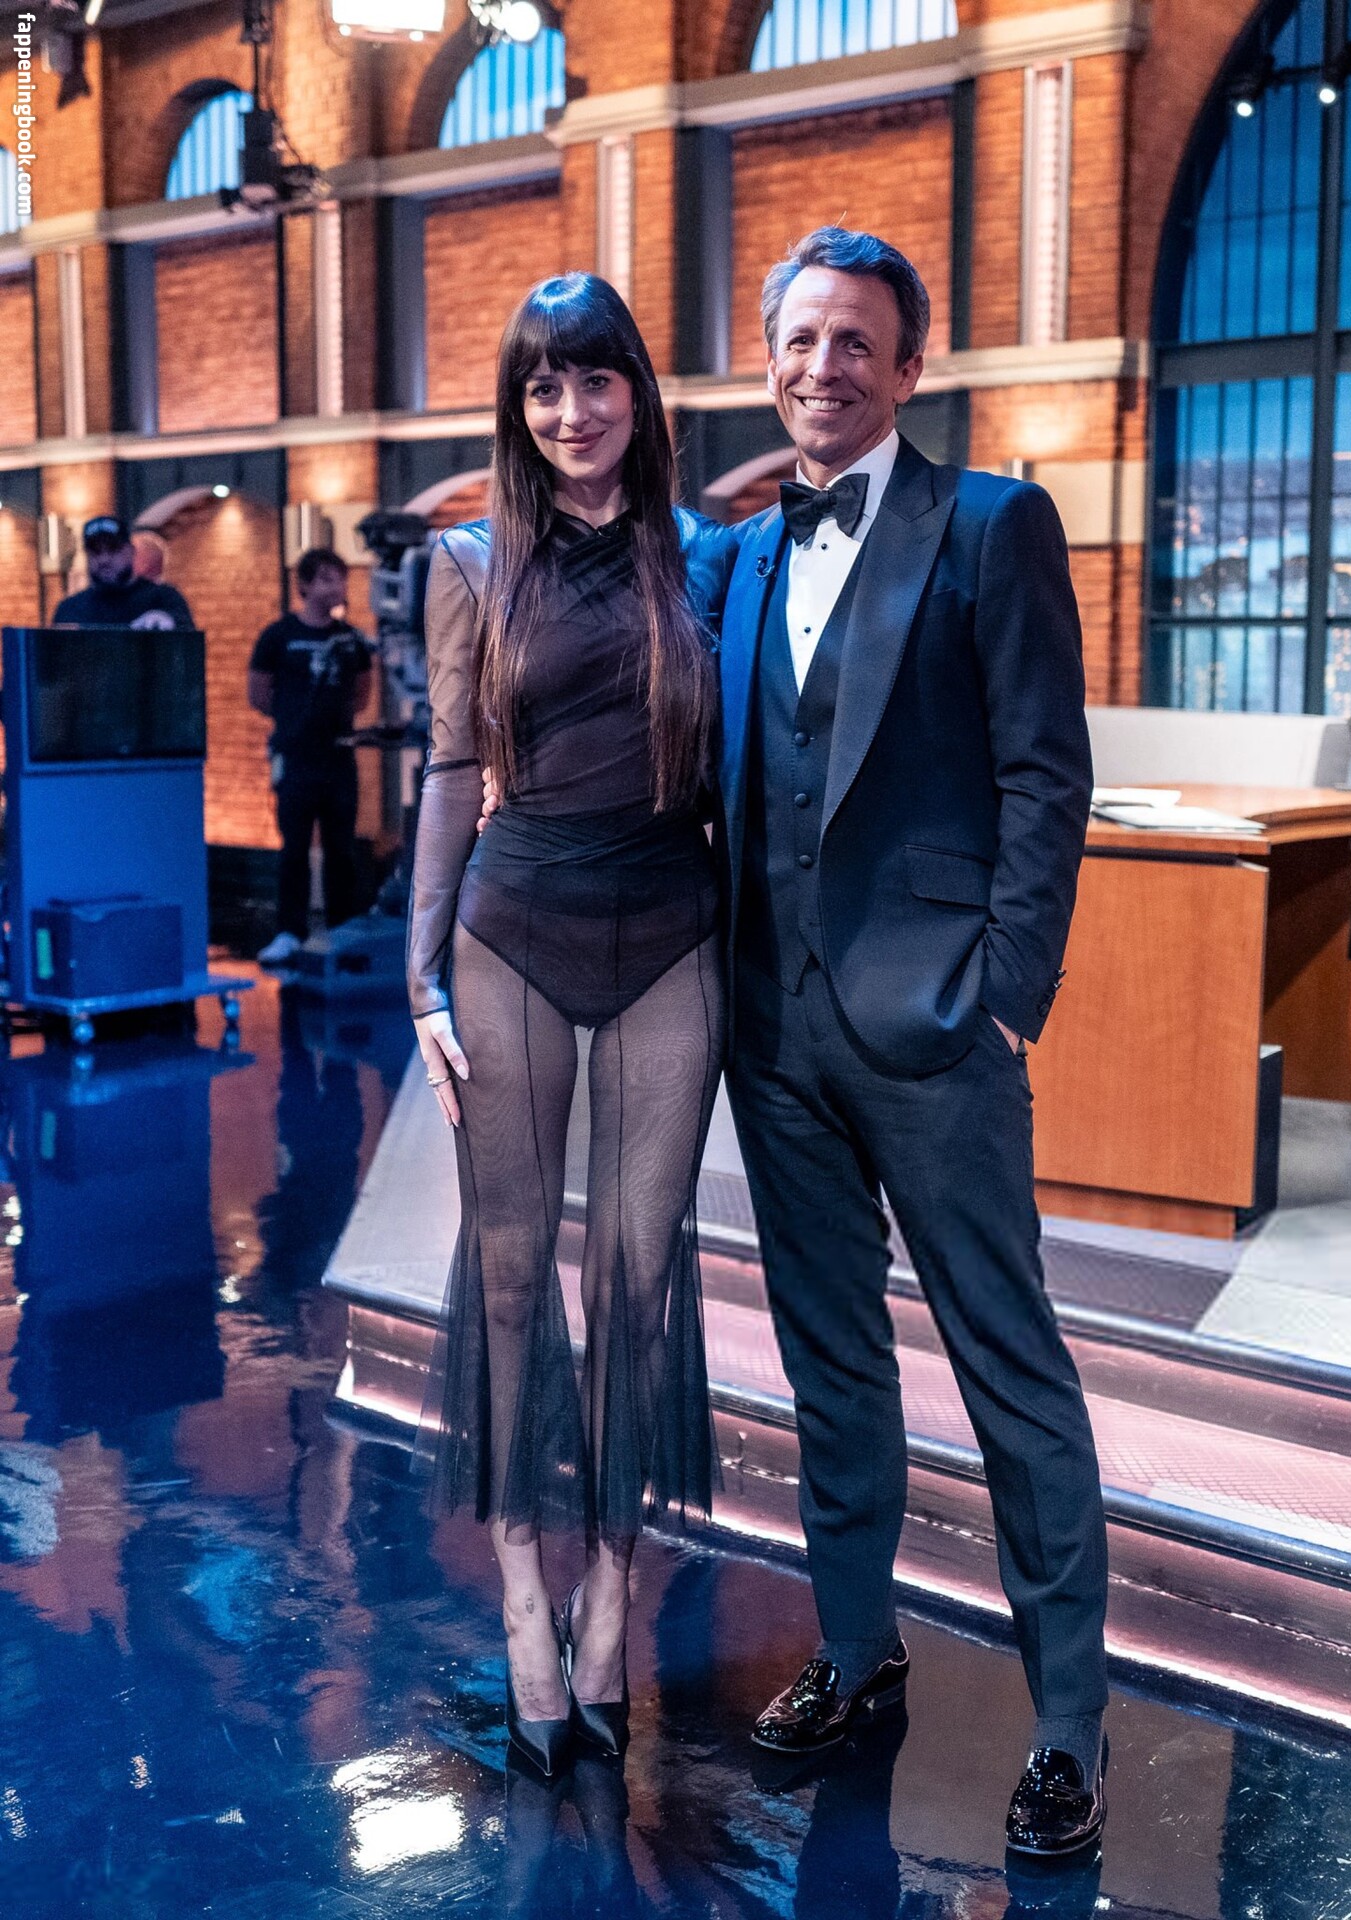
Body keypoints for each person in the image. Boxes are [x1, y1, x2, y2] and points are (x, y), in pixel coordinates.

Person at [716, 229, 1109, 1857]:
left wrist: (1005, 989)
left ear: (907, 365)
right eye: (800, 339)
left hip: (937, 1025)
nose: (824, 366)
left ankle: (1067, 1722)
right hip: (769, 1031)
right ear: (770, 358)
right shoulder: (739, 556)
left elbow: (1044, 773)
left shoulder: (990, 525)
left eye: (854, 341)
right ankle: (854, 1645)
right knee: (828, 1360)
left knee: (1007, 1364)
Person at [407, 273, 736, 1780]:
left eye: (595, 380)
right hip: (514, 933)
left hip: (672, 927)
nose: (570, 411)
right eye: (542, 388)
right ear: (517, 408)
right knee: (509, 1268)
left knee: (637, 1274)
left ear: (636, 394)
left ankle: (613, 1588)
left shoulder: (707, 561)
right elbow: (444, 769)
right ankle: (524, 1598)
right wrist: (419, 980)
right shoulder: (469, 562)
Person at [249, 549, 374, 966]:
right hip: (296, 758)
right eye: (325, 579)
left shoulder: (352, 640)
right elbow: (258, 693)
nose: (335, 587)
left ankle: (341, 929)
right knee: (294, 848)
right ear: (304, 585)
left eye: (340, 579)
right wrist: (294, 719)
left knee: (341, 848)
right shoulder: (278, 636)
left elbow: (362, 692)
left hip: (338, 758)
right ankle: (290, 931)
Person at [53, 514, 195, 629]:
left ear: (131, 551)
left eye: (113, 549)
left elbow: (187, 642)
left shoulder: (163, 599)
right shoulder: (70, 609)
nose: (104, 559)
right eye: (95, 551)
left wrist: (167, 621)